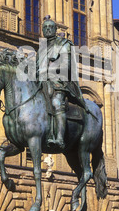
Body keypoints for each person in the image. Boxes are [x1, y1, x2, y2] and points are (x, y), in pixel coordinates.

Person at [37, 16, 87, 149]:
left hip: (58, 83)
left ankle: (59, 138)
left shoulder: (63, 44)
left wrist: (48, 70)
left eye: (50, 27)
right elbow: (36, 67)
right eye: (45, 28)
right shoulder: (42, 48)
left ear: (54, 29)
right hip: (42, 83)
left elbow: (66, 65)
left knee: (56, 103)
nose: (47, 30)